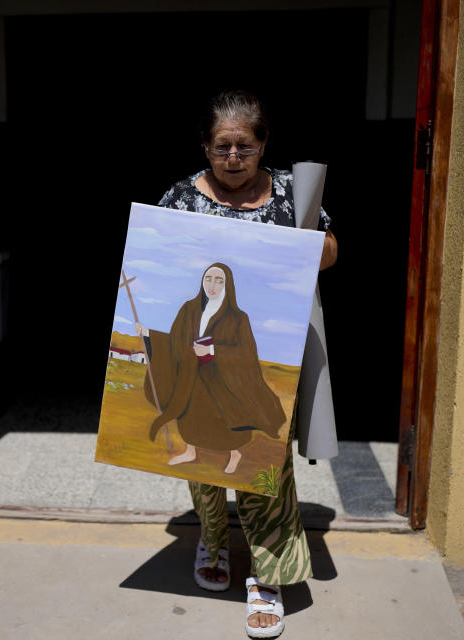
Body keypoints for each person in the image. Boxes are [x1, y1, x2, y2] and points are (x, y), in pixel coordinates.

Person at [156, 90, 338, 639]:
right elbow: (161, 264)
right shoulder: (181, 196)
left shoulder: (289, 192)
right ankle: (212, 538)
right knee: (202, 457)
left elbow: (330, 249)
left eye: (244, 146)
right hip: (198, 360)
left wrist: (302, 245)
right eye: (221, 147)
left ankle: (267, 575)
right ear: (206, 147)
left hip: (262, 357)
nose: (233, 157)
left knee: (264, 462)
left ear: (263, 145)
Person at [135, 263, 286, 475]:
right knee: (191, 415)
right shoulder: (189, 308)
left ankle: (235, 453)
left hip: (222, 379)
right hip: (192, 375)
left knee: (224, 419)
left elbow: (246, 353)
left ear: (227, 284)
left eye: (219, 280)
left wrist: (213, 350)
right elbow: (176, 340)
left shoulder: (238, 318)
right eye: (208, 279)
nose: (212, 285)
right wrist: (150, 334)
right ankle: (191, 451)